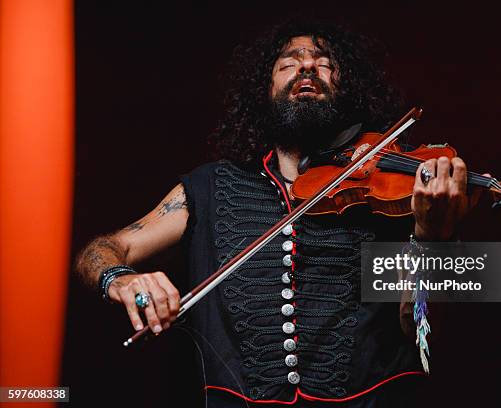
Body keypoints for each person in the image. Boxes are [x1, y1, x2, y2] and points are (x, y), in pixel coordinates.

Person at [76, 21, 480, 407]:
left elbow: (422, 333)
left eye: (324, 61)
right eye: (289, 60)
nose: (307, 64)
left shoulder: (384, 199)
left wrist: (432, 237)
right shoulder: (210, 187)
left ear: (349, 86)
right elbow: (104, 250)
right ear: (263, 88)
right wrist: (122, 280)